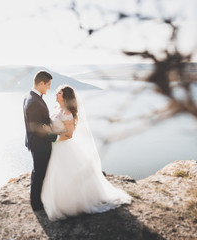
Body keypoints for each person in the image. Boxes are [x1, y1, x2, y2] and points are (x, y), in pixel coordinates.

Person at [41, 85, 132, 221]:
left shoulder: (67, 113)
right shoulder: (56, 109)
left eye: (59, 93)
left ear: (65, 97)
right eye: (56, 93)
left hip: (64, 147)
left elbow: (70, 134)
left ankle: (74, 204)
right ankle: (59, 202)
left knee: (67, 174)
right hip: (56, 148)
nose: (56, 95)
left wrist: (53, 139)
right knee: (57, 175)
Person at [23, 70, 71, 211]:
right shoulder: (34, 101)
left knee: (38, 172)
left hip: (35, 142)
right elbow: (38, 129)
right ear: (41, 83)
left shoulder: (29, 96)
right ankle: (36, 204)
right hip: (39, 144)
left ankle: (37, 200)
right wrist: (55, 137)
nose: (50, 87)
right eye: (48, 84)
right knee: (39, 173)